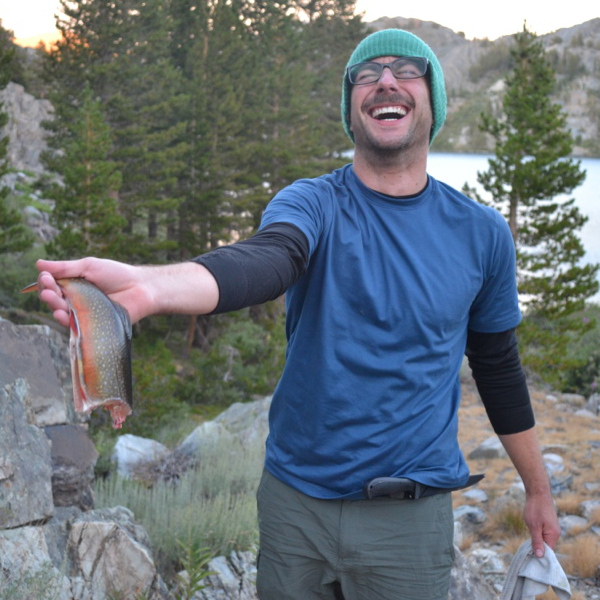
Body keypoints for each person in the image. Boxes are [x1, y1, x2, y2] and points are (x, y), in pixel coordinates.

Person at [34, 28, 560, 600]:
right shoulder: (313, 203)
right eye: (368, 74)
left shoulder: (481, 235)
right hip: (295, 510)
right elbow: (266, 260)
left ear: (433, 102)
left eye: (407, 70)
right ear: (351, 112)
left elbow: (498, 368)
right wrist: (151, 288)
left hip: (409, 523)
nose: (386, 80)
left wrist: (538, 489)